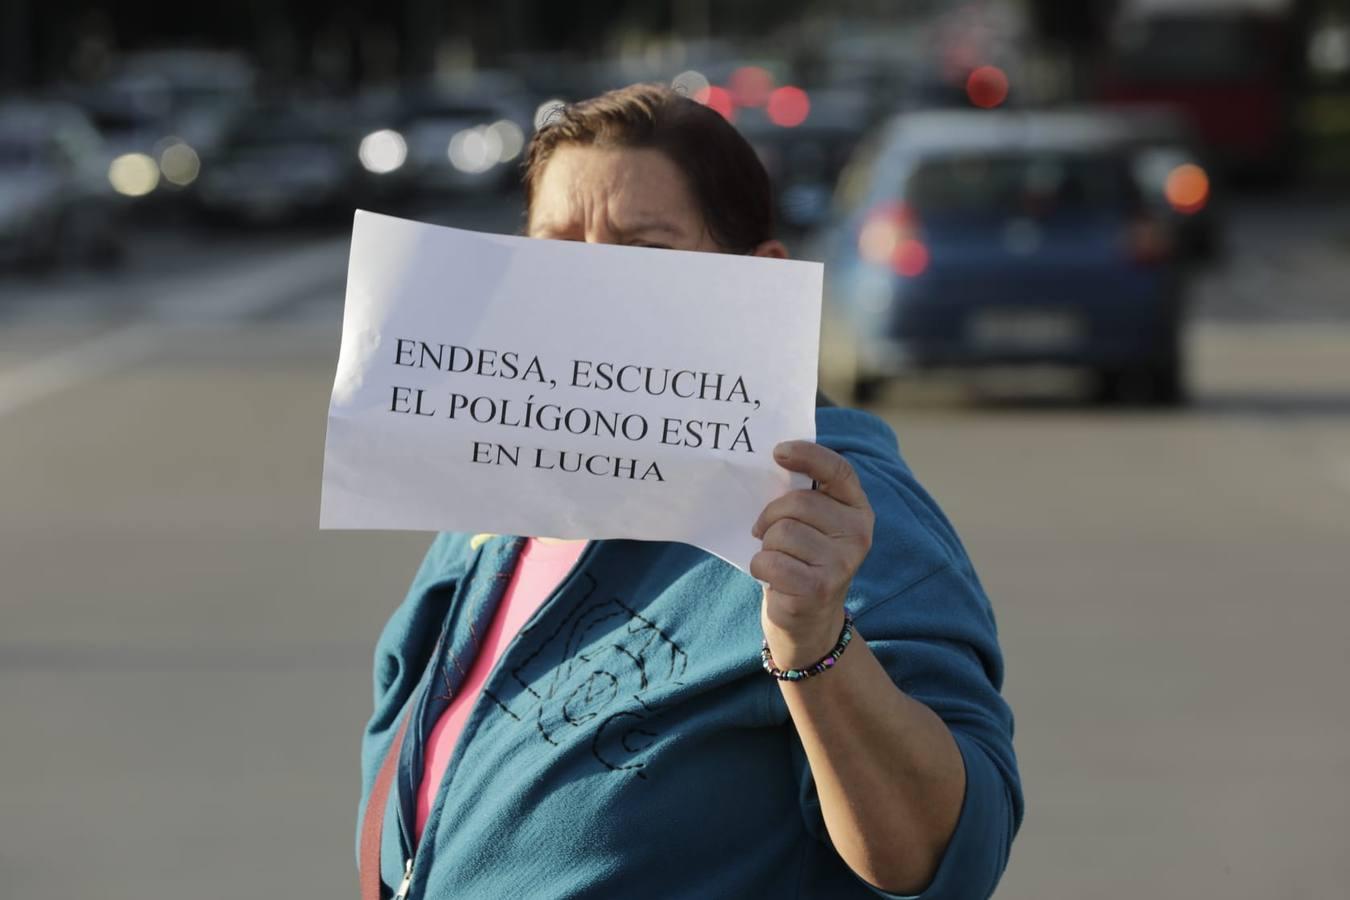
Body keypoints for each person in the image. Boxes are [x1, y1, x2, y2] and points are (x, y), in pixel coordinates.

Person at [357, 84, 1022, 900]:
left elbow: (944, 853)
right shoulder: (500, 500)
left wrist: (812, 641)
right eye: (557, 248)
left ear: (759, 283)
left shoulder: (824, 511)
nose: (586, 289)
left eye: (643, 251)